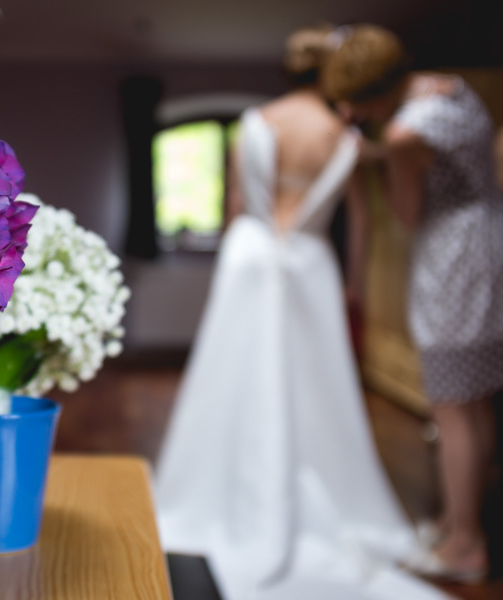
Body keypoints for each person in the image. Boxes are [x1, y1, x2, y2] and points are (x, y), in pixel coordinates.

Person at [154, 25, 450, 600]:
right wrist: (353, 284)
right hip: (312, 261)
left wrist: (238, 253)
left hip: (250, 255)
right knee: (318, 383)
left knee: (231, 374)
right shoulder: (346, 136)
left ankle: (212, 492)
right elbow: (359, 219)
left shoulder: (256, 123)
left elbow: (236, 203)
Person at [322, 24, 503, 583]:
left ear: (374, 96)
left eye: (355, 103)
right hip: (489, 242)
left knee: (450, 408)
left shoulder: (404, 134)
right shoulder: (449, 89)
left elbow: (404, 214)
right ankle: (457, 522)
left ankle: (464, 546)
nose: (350, 113)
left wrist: (379, 159)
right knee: (474, 400)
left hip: (452, 262)